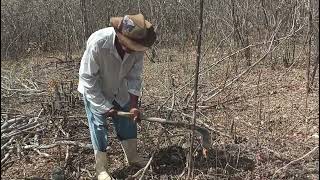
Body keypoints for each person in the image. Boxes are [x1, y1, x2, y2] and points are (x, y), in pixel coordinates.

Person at [77, 13, 156, 180]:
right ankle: (101, 169)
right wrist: (105, 107)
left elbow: (134, 77)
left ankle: (132, 157)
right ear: (120, 35)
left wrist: (134, 105)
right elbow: (87, 78)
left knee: (128, 121)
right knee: (98, 126)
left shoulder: (138, 47)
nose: (131, 49)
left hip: (119, 89)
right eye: (129, 44)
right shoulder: (98, 43)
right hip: (95, 90)